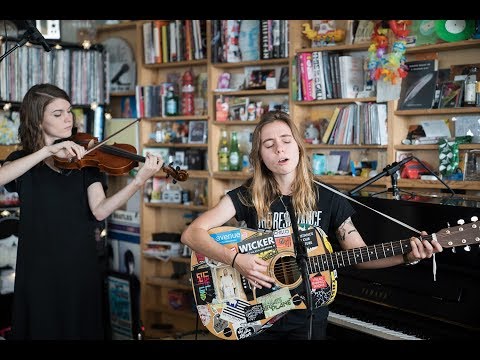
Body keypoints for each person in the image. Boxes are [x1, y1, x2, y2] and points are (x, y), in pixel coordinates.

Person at [181, 110, 443, 340]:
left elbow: (359, 255)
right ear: (259, 155)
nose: (280, 150)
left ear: (298, 146)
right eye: (269, 145)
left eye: (286, 141)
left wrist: (407, 256)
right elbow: (192, 234)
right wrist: (236, 259)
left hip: (307, 316)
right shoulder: (246, 196)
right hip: (255, 313)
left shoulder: (328, 198)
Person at [0, 83, 163, 340]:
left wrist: (138, 182)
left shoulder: (85, 159)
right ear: (37, 120)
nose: (68, 119)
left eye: (69, 111)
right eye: (57, 114)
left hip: (79, 264)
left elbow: (100, 211)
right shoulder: (23, 160)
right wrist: (47, 151)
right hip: (37, 268)